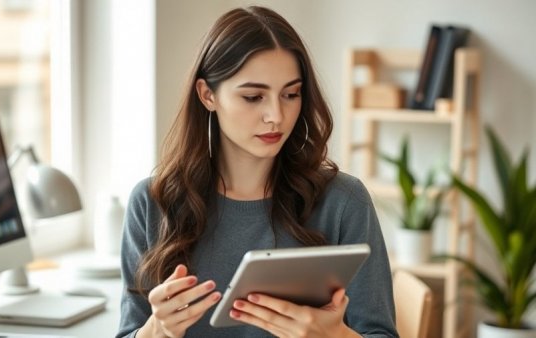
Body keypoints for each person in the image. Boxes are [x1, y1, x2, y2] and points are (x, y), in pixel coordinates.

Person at [117, 5, 398, 338]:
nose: (276, 115)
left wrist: (335, 336)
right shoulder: (152, 203)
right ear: (208, 95)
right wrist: (158, 330)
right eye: (253, 97)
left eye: (291, 94)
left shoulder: (343, 202)